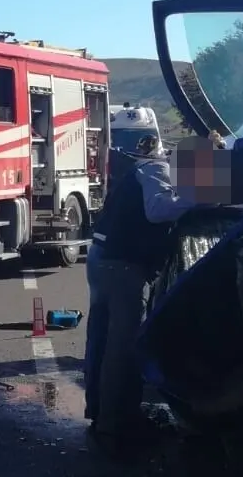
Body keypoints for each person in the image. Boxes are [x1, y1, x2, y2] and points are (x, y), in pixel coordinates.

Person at [82, 132, 195, 448]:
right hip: (124, 266)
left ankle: (100, 411)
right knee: (124, 346)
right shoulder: (158, 169)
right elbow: (157, 210)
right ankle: (116, 425)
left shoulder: (143, 171)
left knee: (102, 340)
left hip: (103, 259)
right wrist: (195, 199)